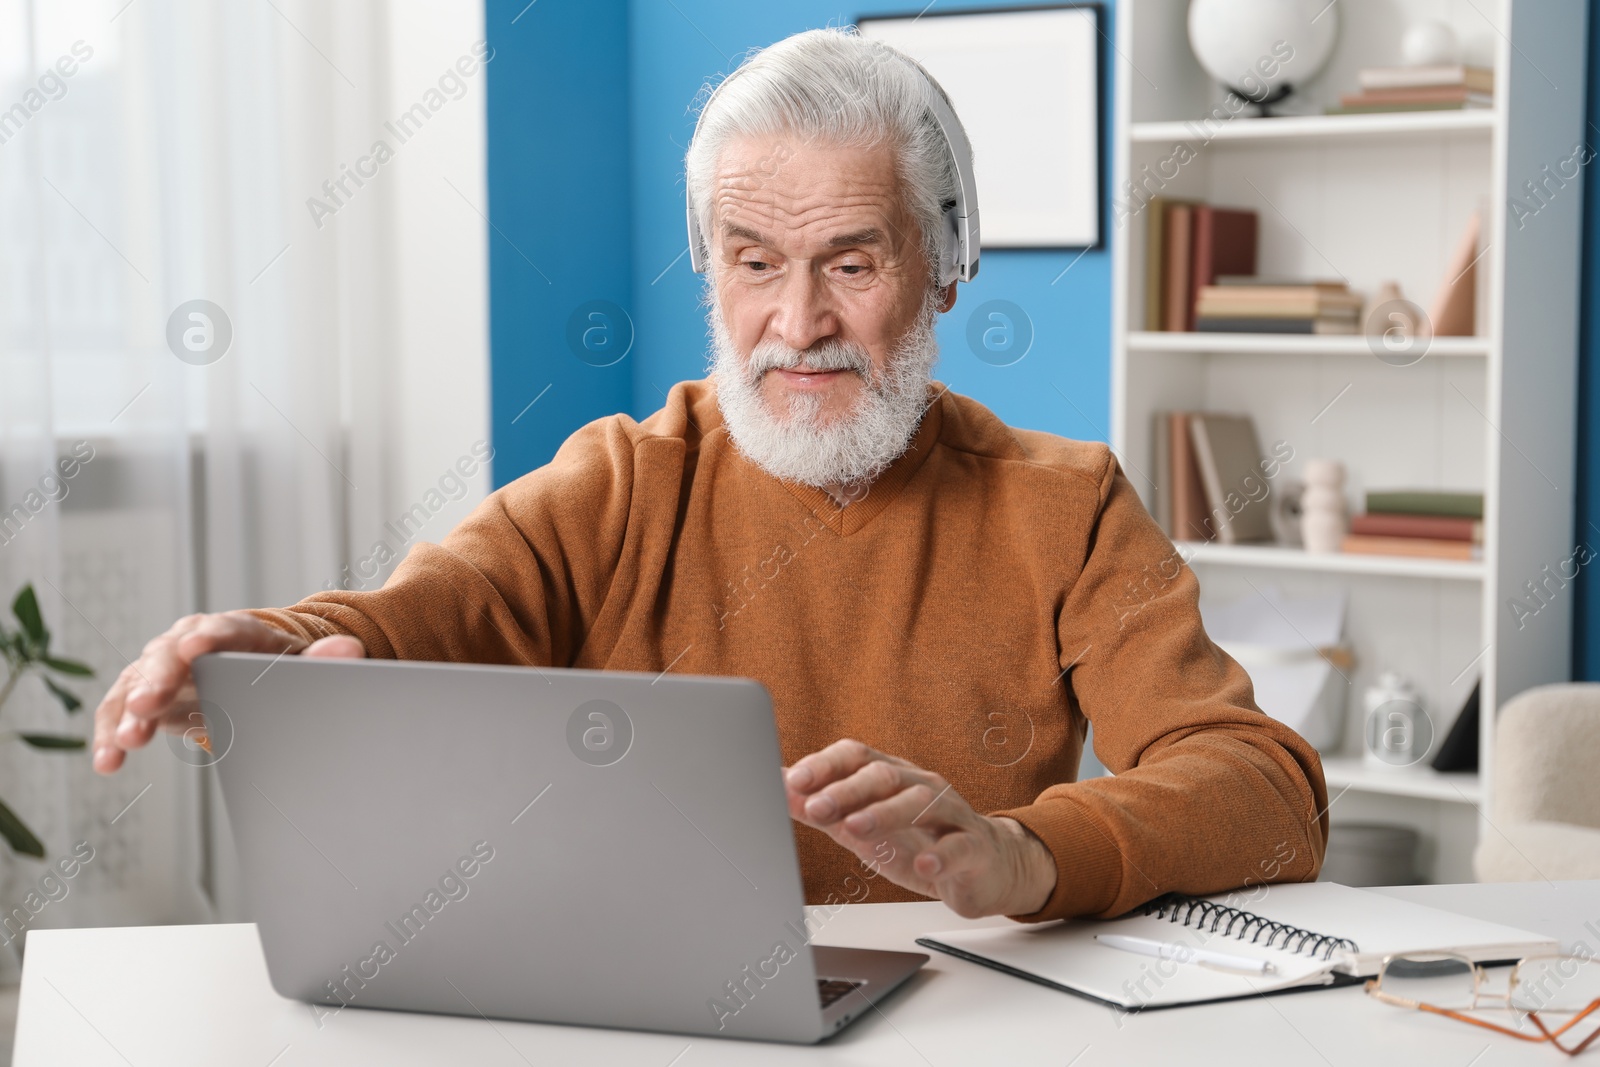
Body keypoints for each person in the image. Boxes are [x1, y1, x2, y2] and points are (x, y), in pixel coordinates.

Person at [91, 26, 1327, 924]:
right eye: (752, 262)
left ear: (946, 264)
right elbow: (419, 615)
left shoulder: (1064, 503)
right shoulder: (624, 480)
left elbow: (1264, 790)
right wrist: (269, 645)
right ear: (708, 271)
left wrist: (1017, 851)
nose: (797, 324)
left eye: (851, 263)